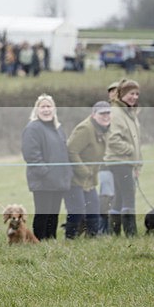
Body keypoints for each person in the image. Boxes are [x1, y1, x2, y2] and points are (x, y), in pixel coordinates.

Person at [21, 94, 72, 240]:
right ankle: (38, 241)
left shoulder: (58, 128)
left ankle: (51, 240)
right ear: (37, 109)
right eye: (42, 106)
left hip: (59, 180)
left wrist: (65, 173)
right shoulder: (33, 128)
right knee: (43, 213)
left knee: (54, 214)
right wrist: (46, 173)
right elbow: (31, 155)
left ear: (54, 109)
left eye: (49, 106)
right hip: (43, 181)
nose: (46, 109)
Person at [64, 101, 111, 238]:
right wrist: (84, 171)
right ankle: (70, 238)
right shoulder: (85, 129)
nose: (106, 116)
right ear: (94, 115)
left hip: (89, 179)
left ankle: (92, 237)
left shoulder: (104, 129)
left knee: (94, 208)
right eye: (102, 113)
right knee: (77, 210)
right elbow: (71, 151)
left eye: (108, 113)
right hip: (75, 178)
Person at [104, 79, 142, 237]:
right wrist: (132, 151)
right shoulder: (116, 112)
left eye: (136, 94)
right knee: (128, 197)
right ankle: (130, 233)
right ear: (122, 95)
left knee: (119, 197)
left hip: (128, 162)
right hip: (120, 161)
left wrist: (137, 163)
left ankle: (114, 232)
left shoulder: (129, 112)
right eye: (130, 94)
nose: (134, 97)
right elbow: (113, 139)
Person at [98, 81, 121, 233]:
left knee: (118, 197)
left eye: (117, 91)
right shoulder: (104, 112)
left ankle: (114, 228)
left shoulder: (127, 113)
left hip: (121, 163)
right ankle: (102, 229)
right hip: (106, 163)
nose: (114, 94)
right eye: (111, 91)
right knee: (106, 196)